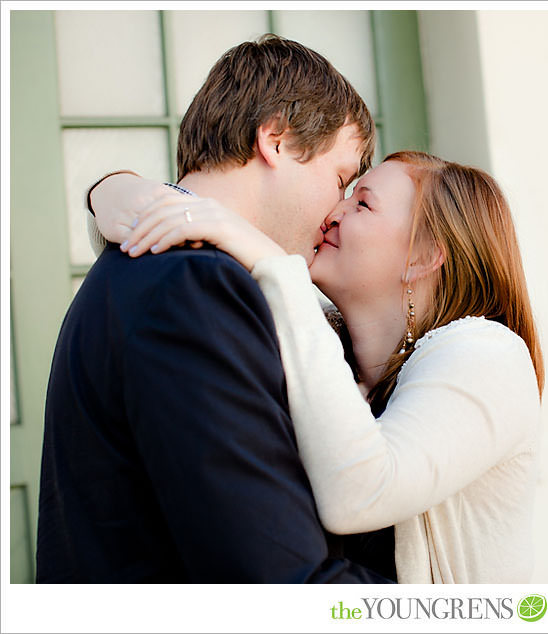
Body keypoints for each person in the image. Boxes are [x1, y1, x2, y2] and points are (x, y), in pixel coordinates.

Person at [88, 150, 545, 583]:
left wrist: (272, 261)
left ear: (424, 257)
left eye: (362, 202)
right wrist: (110, 191)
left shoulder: (487, 354)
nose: (334, 212)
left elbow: (362, 495)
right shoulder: (323, 343)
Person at [36, 35, 393, 583]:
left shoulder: (159, 269)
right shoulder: (193, 286)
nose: (336, 213)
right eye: (340, 179)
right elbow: (274, 578)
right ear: (276, 139)